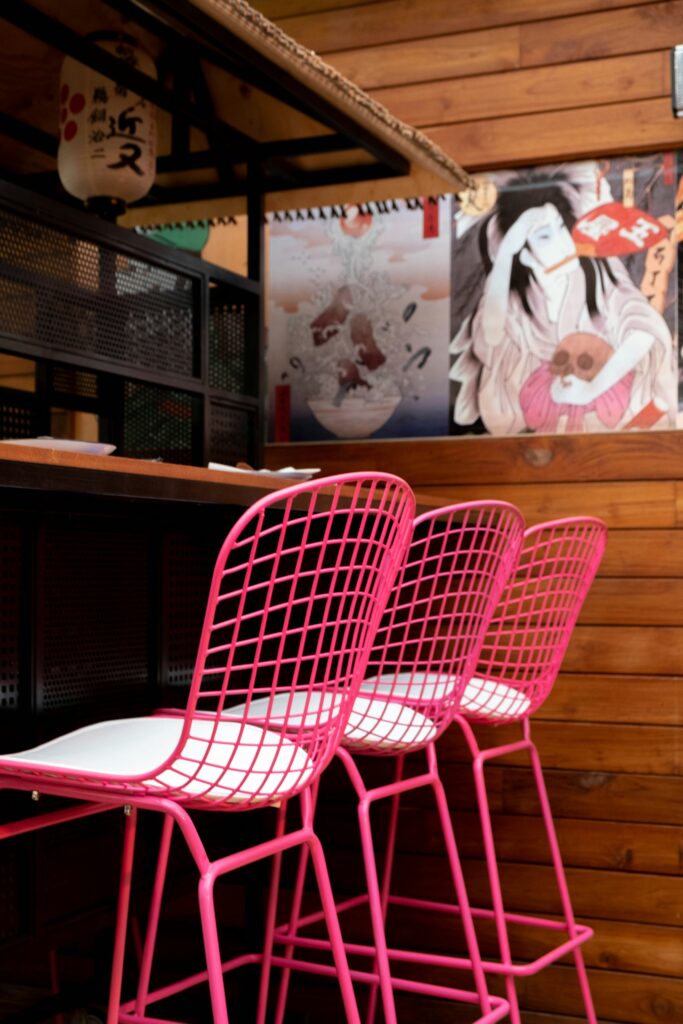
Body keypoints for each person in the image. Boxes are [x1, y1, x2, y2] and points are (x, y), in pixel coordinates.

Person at [449, 173, 675, 434]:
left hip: (609, 410)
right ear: (524, 253)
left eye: (561, 228)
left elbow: (643, 330)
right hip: (541, 426)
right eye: (544, 237)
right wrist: (507, 251)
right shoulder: (515, 300)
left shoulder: (599, 271)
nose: (563, 244)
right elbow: (491, 338)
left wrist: (591, 389)